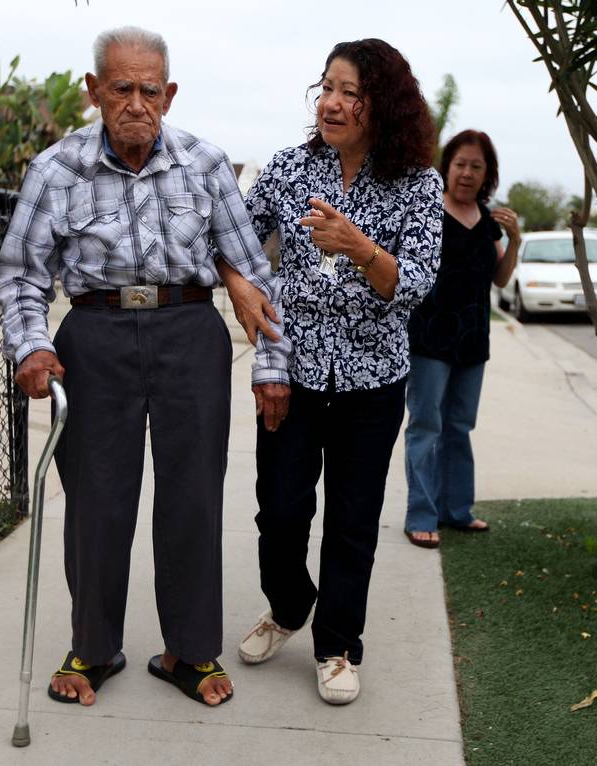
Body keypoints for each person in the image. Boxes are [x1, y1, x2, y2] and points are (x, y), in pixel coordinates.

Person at [0, 26, 291, 709]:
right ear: (93, 91)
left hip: (190, 330)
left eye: (149, 90)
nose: (136, 103)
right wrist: (31, 345)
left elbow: (251, 269)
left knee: (192, 499)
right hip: (94, 335)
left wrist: (272, 364)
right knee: (96, 502)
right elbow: (19, 275)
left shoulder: (206, 163)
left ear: (170, 93)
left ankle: (189, 650)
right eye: (120, 88)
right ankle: (92, 648)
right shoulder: (55, 169)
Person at [218, 39, 442, 705]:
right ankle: (290, 606)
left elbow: (417, 285)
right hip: (293, 373)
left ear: (384, 105)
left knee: (352, 519)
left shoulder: (418, 184)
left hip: (374, 383)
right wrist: (238, 285)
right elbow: (229, 238)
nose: (332, 103)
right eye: (327, 87)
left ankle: (338, 643)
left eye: (350, 91)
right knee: (280, 513)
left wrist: (360, 247)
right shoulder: (289, 170)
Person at [401, 130, 520, 548]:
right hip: (430, 340)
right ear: (446, 167)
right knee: (426, 426)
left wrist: (515, 240)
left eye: (477, 166)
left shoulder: (489, 222)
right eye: (460, 164)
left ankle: (457, 511)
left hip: (473, 341)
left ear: (487, 174)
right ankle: (421, 515)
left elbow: (501, 279)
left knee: (459, 426)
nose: (467, 173)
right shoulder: (428, 210)